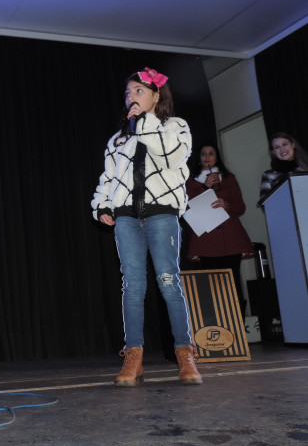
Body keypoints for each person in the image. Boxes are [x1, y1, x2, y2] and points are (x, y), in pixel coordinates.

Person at [91, 67, 202, 387]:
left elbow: (170, 157)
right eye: (128, 93)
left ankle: (185, 353)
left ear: (156, 95)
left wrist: (145, 123)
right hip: (127, 217)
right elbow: (108, 178)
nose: (131, 97)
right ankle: (133, 356)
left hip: (162, 214)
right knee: (132, 286)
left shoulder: (176, 127)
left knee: (169, 282)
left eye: (138, 91)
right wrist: (102, 205)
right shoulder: (118, 140)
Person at [185, 144, 254, 314]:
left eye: (211, 153)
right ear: (198, 158)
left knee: (233, 284)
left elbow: (241, 208)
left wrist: (227, 205)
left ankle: (238, 322)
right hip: (206, 241)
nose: (207, 157)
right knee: (212, 287)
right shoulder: (190, 182)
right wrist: (204, 187)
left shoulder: (229, 178)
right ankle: (218, 325)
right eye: (203, 154)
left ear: (217, 157)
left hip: (230, 239)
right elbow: (185, 209)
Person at [259, 132, 308, 202]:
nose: (282, 149)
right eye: (277, 147)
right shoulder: (268, 175)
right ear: (273, 152)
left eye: (285, 144)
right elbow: (265, 204)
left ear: (293, 144)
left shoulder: (305, 169)